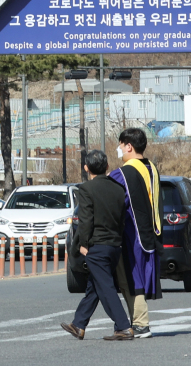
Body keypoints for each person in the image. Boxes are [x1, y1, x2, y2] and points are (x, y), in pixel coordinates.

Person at [60, 149, 133, 341]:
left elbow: (86, 221)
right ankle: (79, 324)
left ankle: (124, 327)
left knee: (106, 287)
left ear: (86, 168)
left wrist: (83, 244)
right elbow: (121, 219)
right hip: (114, 246)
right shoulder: (118, 189)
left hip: (96, 247)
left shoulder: (86, 189)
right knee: (95, 285)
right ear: (107, 166)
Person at [108, 128, 161, 338]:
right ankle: (135, 322)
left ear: (129, 146)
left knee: (132, 278)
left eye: (121, 145)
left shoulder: (123, 174)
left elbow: (115, 202)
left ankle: (140, 324)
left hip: (132, 235)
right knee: (134, 278)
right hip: (151, 233)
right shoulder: (152, 169)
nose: (119, 149)